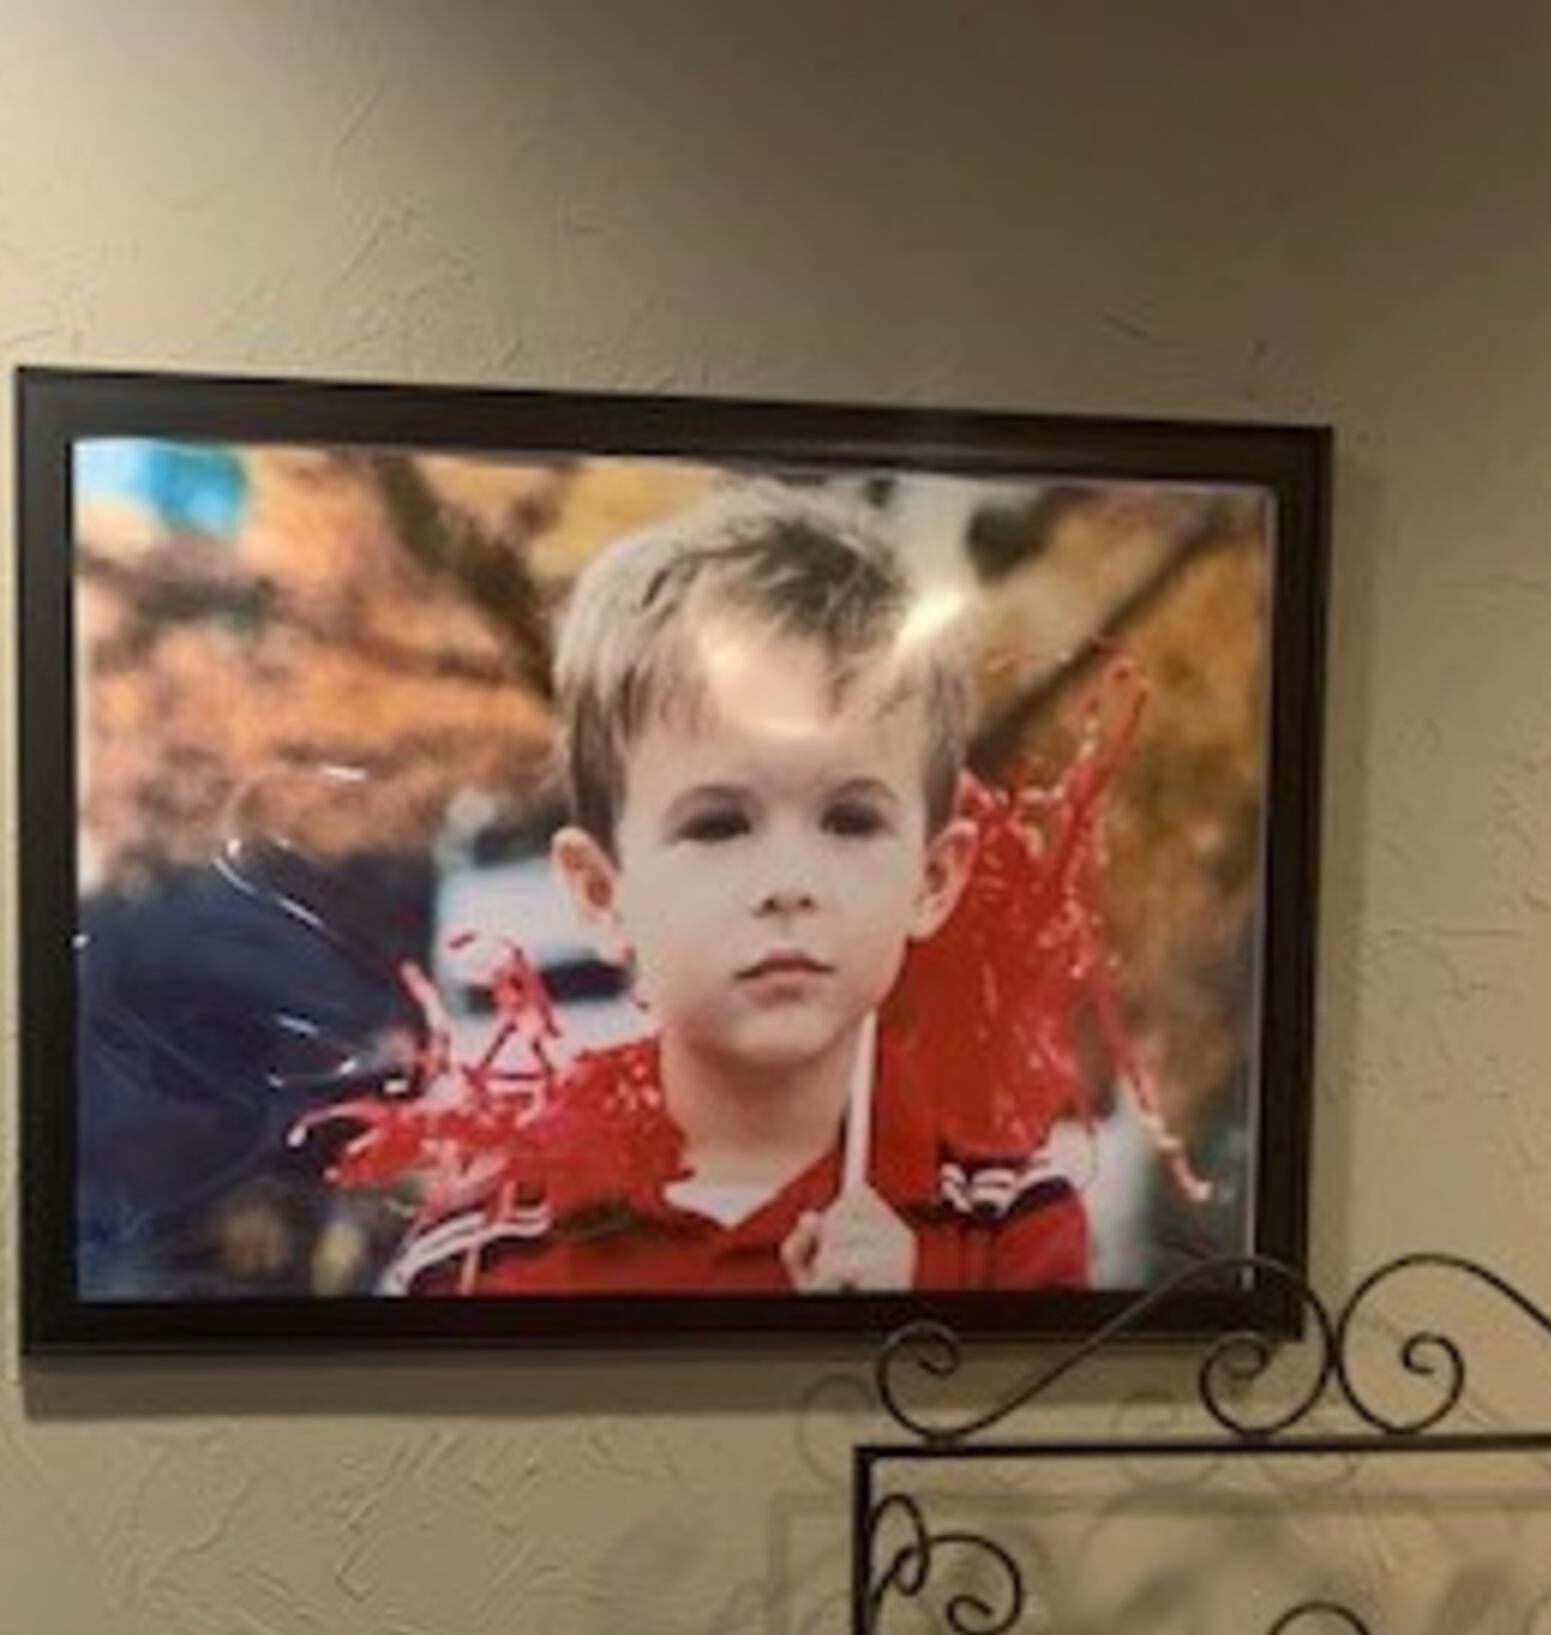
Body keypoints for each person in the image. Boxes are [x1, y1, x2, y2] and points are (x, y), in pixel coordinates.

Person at [377, 486, 1093, 1296]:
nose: (789, 885)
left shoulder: (1009, 1229)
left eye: (851, 820)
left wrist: (921, 1322)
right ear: (602, 895)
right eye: (719, 826)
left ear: (933, 880)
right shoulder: (483, 1253)